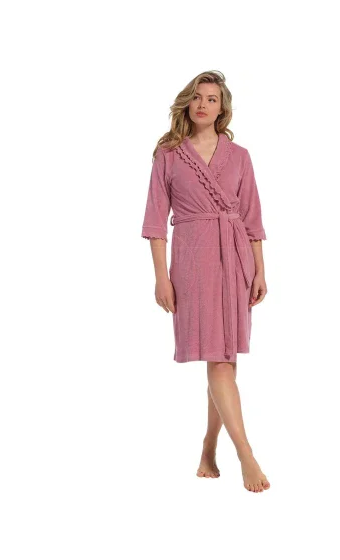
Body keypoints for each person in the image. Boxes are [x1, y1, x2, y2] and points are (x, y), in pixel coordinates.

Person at [141, 70, 270, 492]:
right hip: (192, 261)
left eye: (212, 99)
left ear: (222, 108)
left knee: (225, 360)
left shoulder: (241, 156)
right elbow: (155, 223)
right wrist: (161, 278)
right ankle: (246, 456)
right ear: (187, 102)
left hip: (235, 259)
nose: (203, 105)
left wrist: (260, 270)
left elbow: (252, 218)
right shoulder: (168, 154)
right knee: (219, 359)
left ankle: (208, 448)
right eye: (197, 97)